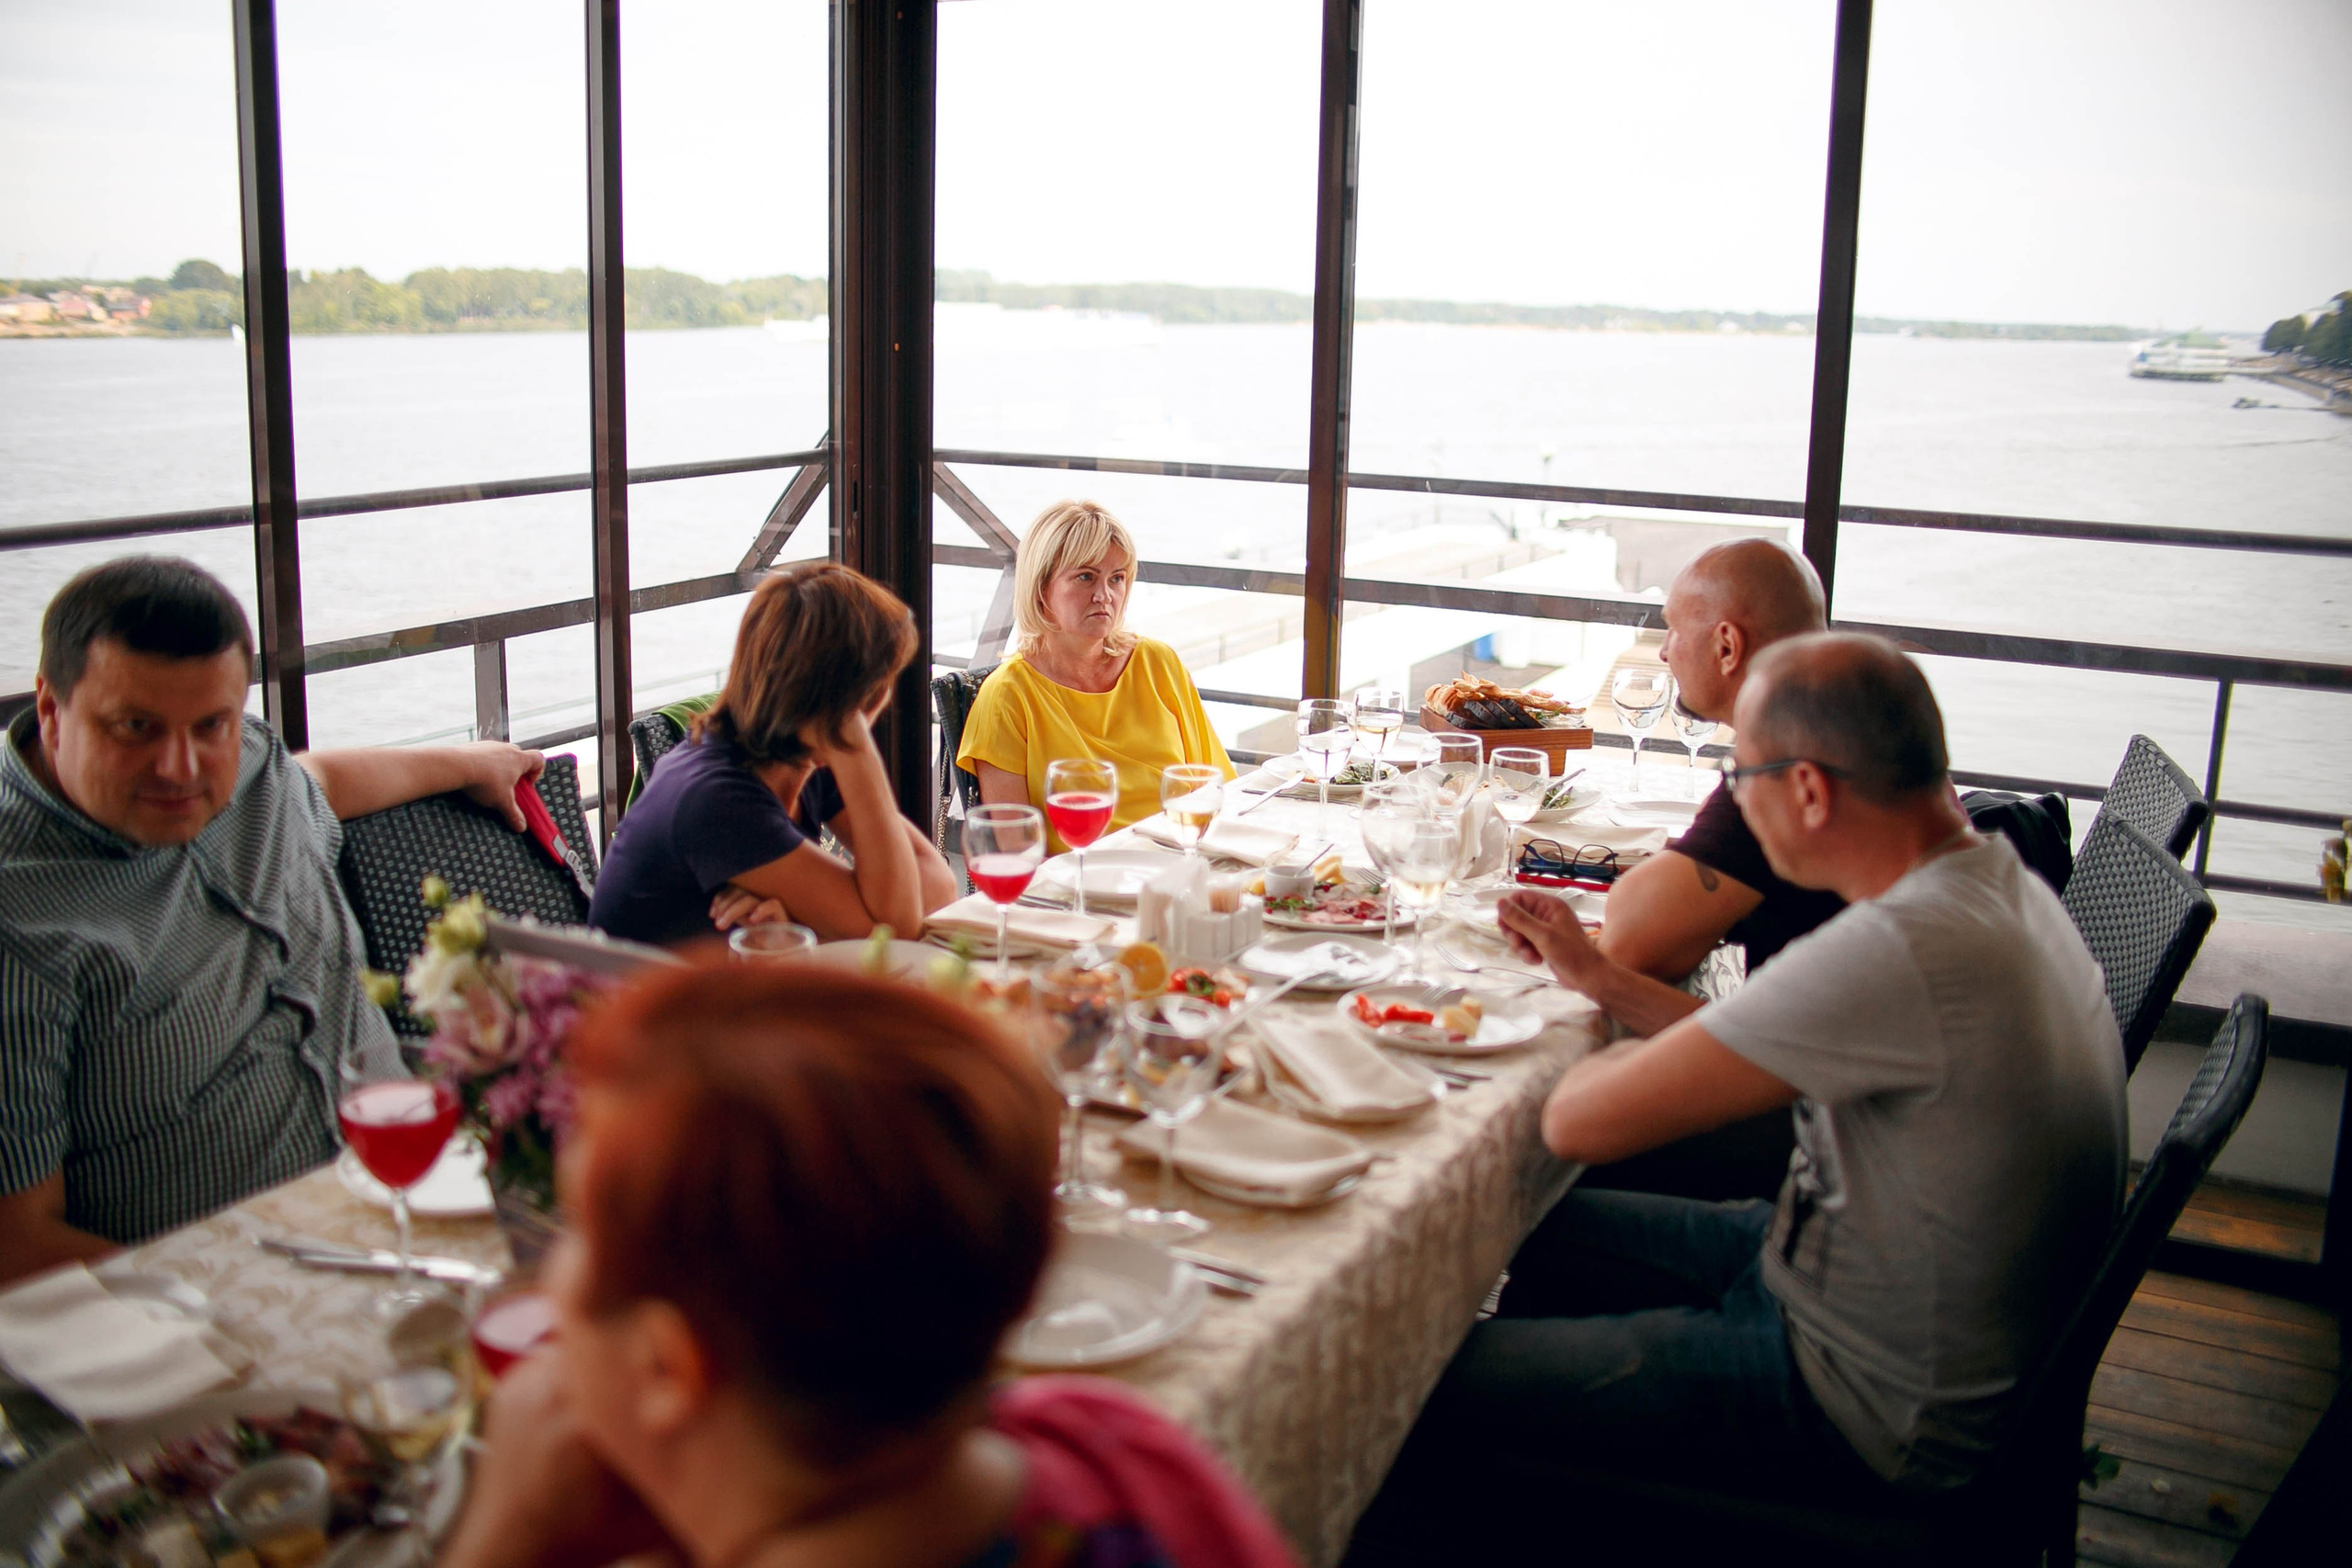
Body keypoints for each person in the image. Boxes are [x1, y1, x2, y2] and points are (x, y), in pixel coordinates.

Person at [1364, 635, 2124, 1551]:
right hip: (1851, 1279)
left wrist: (1543, 1032)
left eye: (1737, 778)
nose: (1730, 800)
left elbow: (1571, 1120)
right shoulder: (1994, 886)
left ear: (1806, 789)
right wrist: (1598, 984)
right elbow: (1755, 1046)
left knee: (1399, 1385)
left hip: (1853, 1394)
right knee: (1519, 1224)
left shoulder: (1893, 949)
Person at [439, 963, 1300, 1568]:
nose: (553, 1278)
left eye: (576, 1231)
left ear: (669, 1364)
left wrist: (498, 1539)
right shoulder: (1114, 1444)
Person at [0, 557, 543, 1281]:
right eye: (135, 727)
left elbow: (317, 780)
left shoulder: (254, 771)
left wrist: (470, 760)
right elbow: (17, 1244)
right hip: (218, 1290)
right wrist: (234, 1296)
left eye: (210, 724)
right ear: (49, 708)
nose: (179, 768)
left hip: (424, 1192)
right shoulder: (20, 920)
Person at [588, 562, 957, 948]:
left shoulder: (800, 755)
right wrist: (859, 748)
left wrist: (802, 921)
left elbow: (938, 885)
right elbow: (897, 932)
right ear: (864, 697)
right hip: (636, 1003)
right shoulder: (717, 799)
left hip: (727, 991)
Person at [959, 500, 1232, 843]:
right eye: (1085, 577)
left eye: (1117, 579)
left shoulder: (1158, 663)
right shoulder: (1007, 696)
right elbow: (1017, 851)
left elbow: (1218, 790)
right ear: (1041, 588)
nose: (1104, 596)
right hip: (1075, 888)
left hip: (1178, 871)